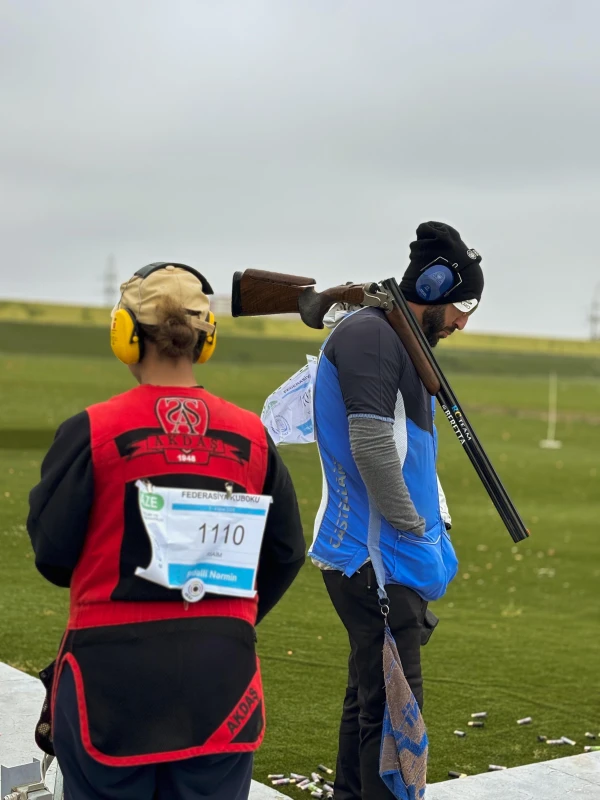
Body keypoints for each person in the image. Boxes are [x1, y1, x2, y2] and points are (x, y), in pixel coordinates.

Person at [27, 262, 306, 800]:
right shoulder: (253, 437)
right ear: (206, 339)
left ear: (127, 336)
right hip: (222, 679)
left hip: (109, 682)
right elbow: (286, 551)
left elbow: (53, 557)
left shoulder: (92, 431)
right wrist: (226, 617)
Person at [308, 222, 485, 800]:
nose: (462, 321)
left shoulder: (386, 335)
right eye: (461, 304)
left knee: (371, 698)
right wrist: (414, 532)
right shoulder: (373, 336)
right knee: (392, 721)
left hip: (377, 556)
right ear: (431, 288)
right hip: (374, 561)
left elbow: (405, 452)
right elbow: (372, 447)